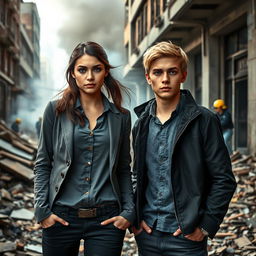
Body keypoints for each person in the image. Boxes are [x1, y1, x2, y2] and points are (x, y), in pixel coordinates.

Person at [131, 41, 237, 256]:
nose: (165, 79)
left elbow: (223, 179)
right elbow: (137, 175)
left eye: (172, 71)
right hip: (147, 234)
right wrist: (135, 217)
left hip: (186, 238)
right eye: (158, 72)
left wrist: (205, 225)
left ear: (183, 75)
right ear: (148, 77)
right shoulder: (141, 124)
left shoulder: (204, 119)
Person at [34, 41, 135, 256]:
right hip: (60, 216)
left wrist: (128, 211)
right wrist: (42, 211)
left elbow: (124, 168)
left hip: (107, 219)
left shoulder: (121, 117)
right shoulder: (55, 111)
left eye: (96, 69)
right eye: (82, 69)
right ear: (73, 73)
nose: (90, 77)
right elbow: (44, 163)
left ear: (106, 72)